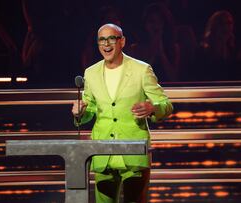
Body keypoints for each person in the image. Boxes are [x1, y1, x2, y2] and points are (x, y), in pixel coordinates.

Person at [72, 23, 173, 203]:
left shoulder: (141, 69)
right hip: (103, 152)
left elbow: (166, 105)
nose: (107, 44)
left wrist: (153, 107)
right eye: (102, 40)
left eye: (112, 38)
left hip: (133, 151)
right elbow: (90, 110)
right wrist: (80, 112)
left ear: (122, 41)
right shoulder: (91, 72)